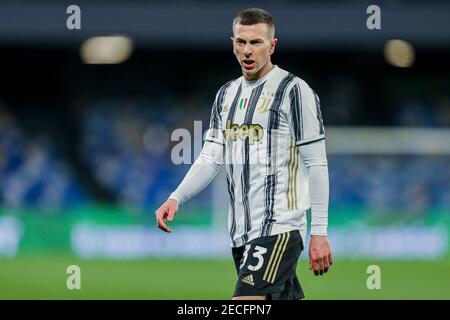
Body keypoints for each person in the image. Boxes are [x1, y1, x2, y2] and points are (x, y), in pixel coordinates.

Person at [155, 7, 333, 300]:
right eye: (241, 42)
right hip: (241, 233)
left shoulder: (294, 91)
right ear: (232, 43)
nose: (247, 50)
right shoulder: (226, 94)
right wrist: (177, 196)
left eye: (256, 42)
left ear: (272, 45)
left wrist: (320, 232)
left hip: (280, 227)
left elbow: (316, 163)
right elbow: (211, 157)